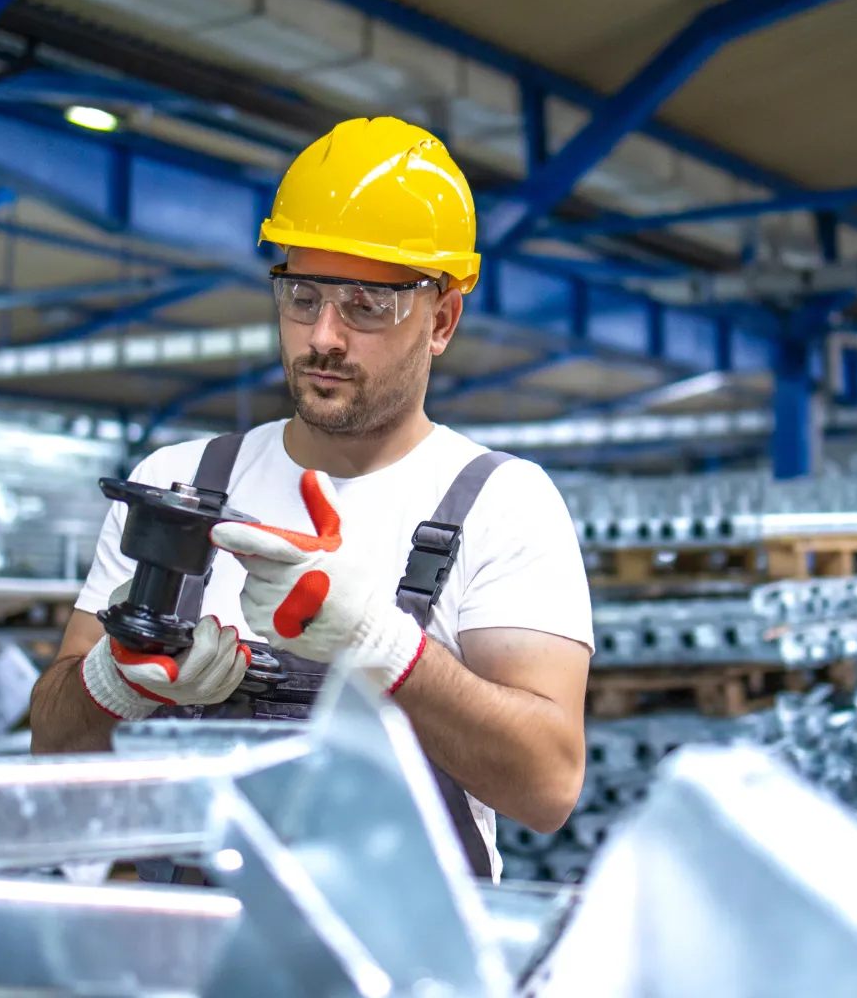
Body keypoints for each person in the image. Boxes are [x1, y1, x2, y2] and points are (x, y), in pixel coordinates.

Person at [30, 116, 593, 878]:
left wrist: (386, 648)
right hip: (185, 953)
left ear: (444, 319)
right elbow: (54, 750)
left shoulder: (501, 504)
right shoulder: (182, 483)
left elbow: (548, 786)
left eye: (367, 305)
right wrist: (114, 680)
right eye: (303, 295)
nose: (323, 335)